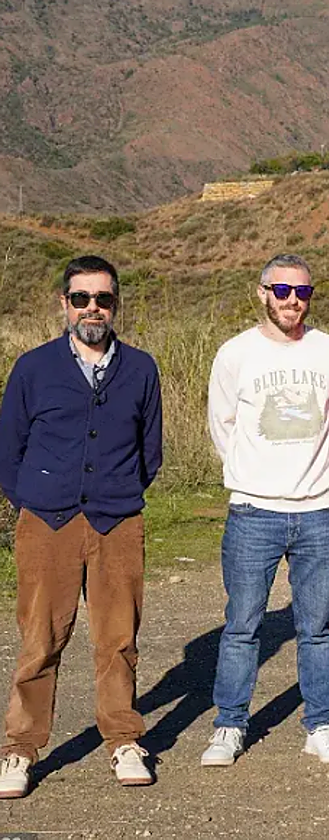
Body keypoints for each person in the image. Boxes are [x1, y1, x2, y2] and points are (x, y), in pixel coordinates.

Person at [0, 256, 162, 798]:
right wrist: (35, 498)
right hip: (47, 520)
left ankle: (122, 738)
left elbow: (150, 452)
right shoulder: (33, 367)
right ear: (63, 305)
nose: (93, 307)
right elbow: (10, 449)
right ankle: (19, 749)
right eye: (81, 298)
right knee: (40, 639)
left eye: (104, 298)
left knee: (118, 638)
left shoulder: (140, 369)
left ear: (116, 305)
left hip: (118, 519)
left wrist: (119, 492)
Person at [201, 254, 329, 767]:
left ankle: (322, 724)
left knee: (317, 627)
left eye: (303, 292)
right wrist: (251, 477)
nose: (293, 300)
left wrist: (317, 481)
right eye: (283, 290)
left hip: (318, 512)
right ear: (262, 291)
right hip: (253, 512)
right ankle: (230, 724)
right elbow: (222, 424)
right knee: (243, 625)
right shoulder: (235, 353)